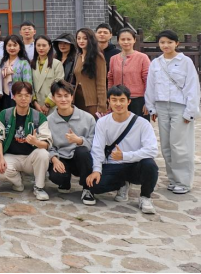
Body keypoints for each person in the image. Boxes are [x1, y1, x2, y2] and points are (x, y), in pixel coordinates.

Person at [87, 85, 159, 215]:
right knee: (94, 186)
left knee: (150, 165)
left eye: (122, 100)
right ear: (108, 101)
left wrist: (124, 156)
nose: (118, 104)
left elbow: (152, 150)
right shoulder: (102, 122)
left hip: (134, 165)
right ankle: (122, 184)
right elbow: (97, 148)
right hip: (113, 165)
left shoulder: (142, 124)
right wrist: (96, 170)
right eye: (114, 100)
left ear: (129, 101)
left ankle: (145, 197)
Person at [145, 30, 200, 195]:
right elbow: (150, 86)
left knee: (180, 145)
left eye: (169, 42)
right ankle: (173, 179)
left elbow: (192, 87)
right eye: (162, 42)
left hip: (180, 107)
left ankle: (183, 182)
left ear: (177, 43)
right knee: (166, 145)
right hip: (161, 107)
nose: (166, 45)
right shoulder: (156, 63)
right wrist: (151, 107)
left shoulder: (185, 62)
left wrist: (190, 111)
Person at [0, 82, 52, 201]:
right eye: (20, 95)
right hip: (11, 155)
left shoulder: (39, 117)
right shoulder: (5, 114)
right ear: (13, 96)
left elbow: (46, 144)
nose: (23, 98)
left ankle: (39, 187)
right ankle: (18, 182)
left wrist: (36, 142)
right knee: (1, 170)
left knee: (43, 154)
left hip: (30, 158)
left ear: (31, 97)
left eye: (27, 95)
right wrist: (0, 158)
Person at [47, 80, 96, 205]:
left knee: (82, 151)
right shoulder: (49, 121)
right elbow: (48, 145)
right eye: (59, 96)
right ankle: (64, 181)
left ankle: (87, 188)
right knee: (56, 176)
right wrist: (54, 158)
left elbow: (95, 143)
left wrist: (79, 141)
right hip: (62, 158)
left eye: (66, 95)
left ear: (72, 97)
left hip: (81, 159)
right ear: (53, 98)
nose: (63, 99)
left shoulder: (88, 118)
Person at [108, 29, 150, 119]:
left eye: (129, 39)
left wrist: (148, 101)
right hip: (118, 100)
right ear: (118, 41)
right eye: (123, 39)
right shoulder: (113, 59)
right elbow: (111, 78)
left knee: (138, 125)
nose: (126, 42)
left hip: (138, 100)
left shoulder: (142, 57)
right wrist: (110, 98)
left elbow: (148, 80)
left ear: (134, 40)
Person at [73, 28, 108, 117]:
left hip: (92, 101)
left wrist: (102, 106)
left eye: (85, 38)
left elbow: (101, 83)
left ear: (91, 39)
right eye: (78, 38)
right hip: (77, 99)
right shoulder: (78, 56)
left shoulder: (98, 57)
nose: (81, 41)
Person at [31, 36, 65, 115]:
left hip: (52, 105)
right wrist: (35, 102)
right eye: (38, 45)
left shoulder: (56, 64)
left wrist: (47, 104)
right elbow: (30, 84)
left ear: (49, 47)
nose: (41, 48)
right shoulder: (32, 63)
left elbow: (59, 85)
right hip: (36, 106)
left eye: (44, 45)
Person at [0, 35, 33, 111]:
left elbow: (28, 83)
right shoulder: (2, 63)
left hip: (18, 97)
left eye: (15, 45)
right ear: (5, 47)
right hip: (4, 97)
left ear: (20, 47)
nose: (12, 48)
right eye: (9, 45)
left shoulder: (24, 63)